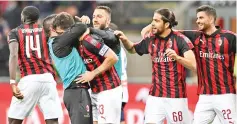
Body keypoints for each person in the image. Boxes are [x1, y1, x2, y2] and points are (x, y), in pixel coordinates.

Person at [141, 5, 236, 124]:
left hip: (226, 95)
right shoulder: (194, 36)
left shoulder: (230, 37)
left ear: (211, 19)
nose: (197, 21)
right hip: (204, 96)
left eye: (201, 18)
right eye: (197, 18)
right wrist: (156, 21)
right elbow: (161, 31)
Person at [114, 8, 196, 124]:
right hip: (155, 97)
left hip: (176, 98)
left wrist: (178, 58)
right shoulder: (151, 39)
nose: (152, 23)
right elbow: (133, 49)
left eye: (157, 20)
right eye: (152, 20)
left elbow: (194, 65)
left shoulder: (180, 39)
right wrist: (125, 39)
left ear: (167, 24)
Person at [7, 6, 62, 124]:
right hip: (48, 79)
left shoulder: (15, 32)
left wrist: (12, 82)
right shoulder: (46, 31)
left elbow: (13, 55)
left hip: (29, 79)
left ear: (22, 17)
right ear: (37, 19)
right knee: (52, 120)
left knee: (13, 119)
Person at [42, 13, 93, 124]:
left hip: (75, 91)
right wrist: (82, 22)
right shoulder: (59, 42)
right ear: (52, 28)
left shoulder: (59, 42)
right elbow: (81, 27)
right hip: (76, 90)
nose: (66, 30)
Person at [83, 6, 123, 124]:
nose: (95, 19)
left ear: (108, 21)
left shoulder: (112, 36)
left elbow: (109, 37)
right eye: (93, 16)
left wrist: (88, 29)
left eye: (99, 16)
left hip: (110, 87)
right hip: (95, 87)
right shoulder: (92, 37)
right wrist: (82, 26)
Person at [109, 22, 129, 124]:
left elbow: (117, 70)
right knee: (119, 118)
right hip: (121, 90)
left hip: (115, 89)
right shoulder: (120, 50)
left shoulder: (115, 51)